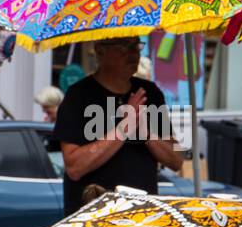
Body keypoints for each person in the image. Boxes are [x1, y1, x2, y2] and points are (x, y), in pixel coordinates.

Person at [53, 36, 182, 215]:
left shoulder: (150, 93)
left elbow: (177, 160)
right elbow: (74, 168)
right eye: (124, 46)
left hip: (142, 218)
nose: (134, 53)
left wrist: (145, 133)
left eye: (136, 45)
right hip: (93, 219)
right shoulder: (77, 96)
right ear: (100, 50)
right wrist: (124, 128)